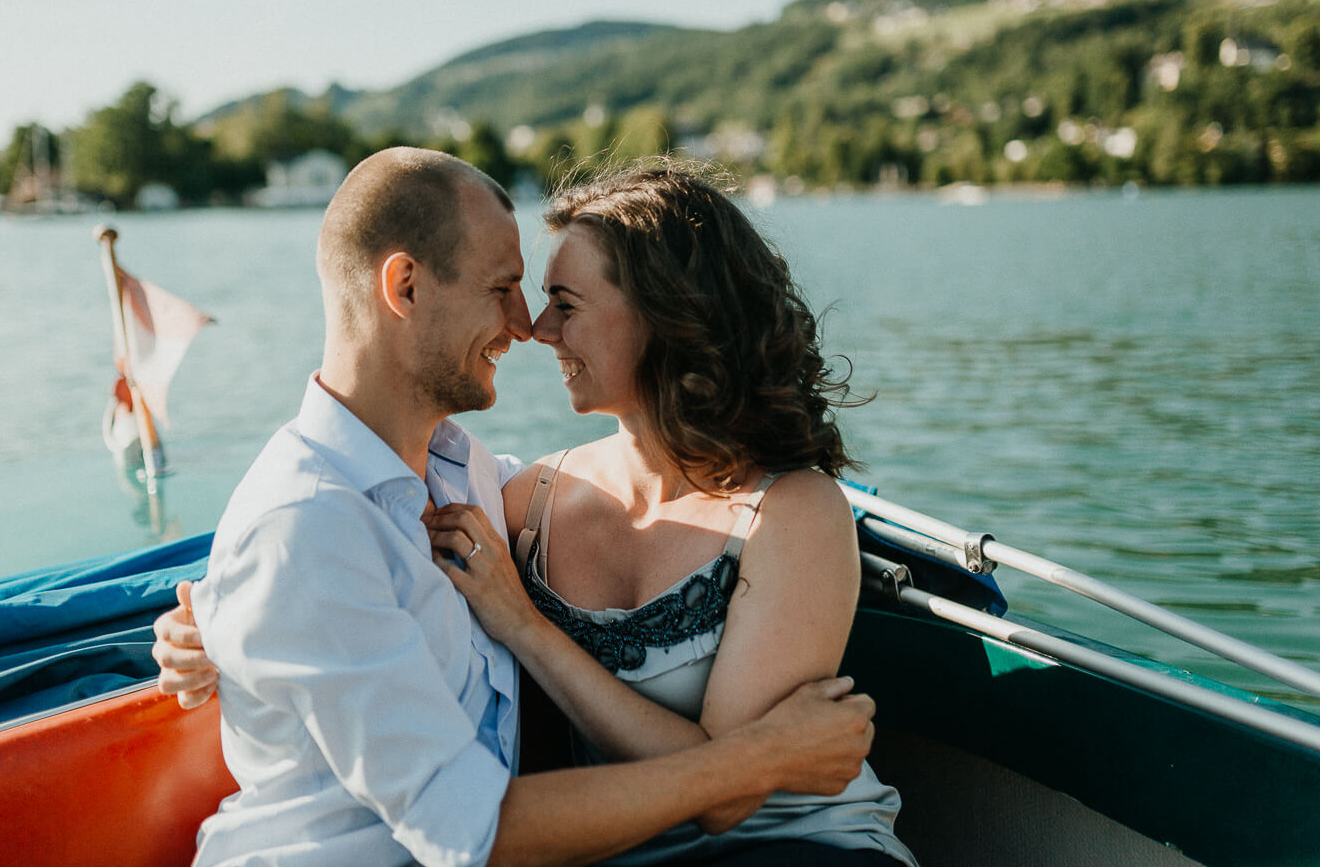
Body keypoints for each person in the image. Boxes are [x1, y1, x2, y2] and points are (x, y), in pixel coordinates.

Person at [172, 146, 879, 867]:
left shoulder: (464, 480)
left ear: (668, 319)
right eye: (505, 288)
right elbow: (473, 830)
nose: (528, 326)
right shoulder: (309, 528)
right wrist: (760, 757)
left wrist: (221, 623)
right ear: (406, 287)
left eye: (557, 302)